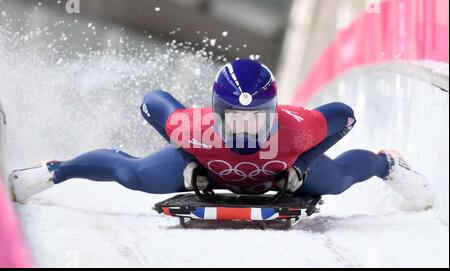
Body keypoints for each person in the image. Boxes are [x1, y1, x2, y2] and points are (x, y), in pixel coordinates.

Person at [9, 59, 432, 209]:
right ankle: (55, 172)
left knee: (336, 180)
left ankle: (386, 164)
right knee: (135, 176)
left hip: (280, 171)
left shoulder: (295, 126)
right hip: (207, 168)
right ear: (216, 115)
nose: (247, 128)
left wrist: (301, 165)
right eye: (236, 119)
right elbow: (152, 101)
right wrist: (189, 158)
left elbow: (344, 115)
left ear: (274, 112)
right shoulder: (194, 127)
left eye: (257, 118)